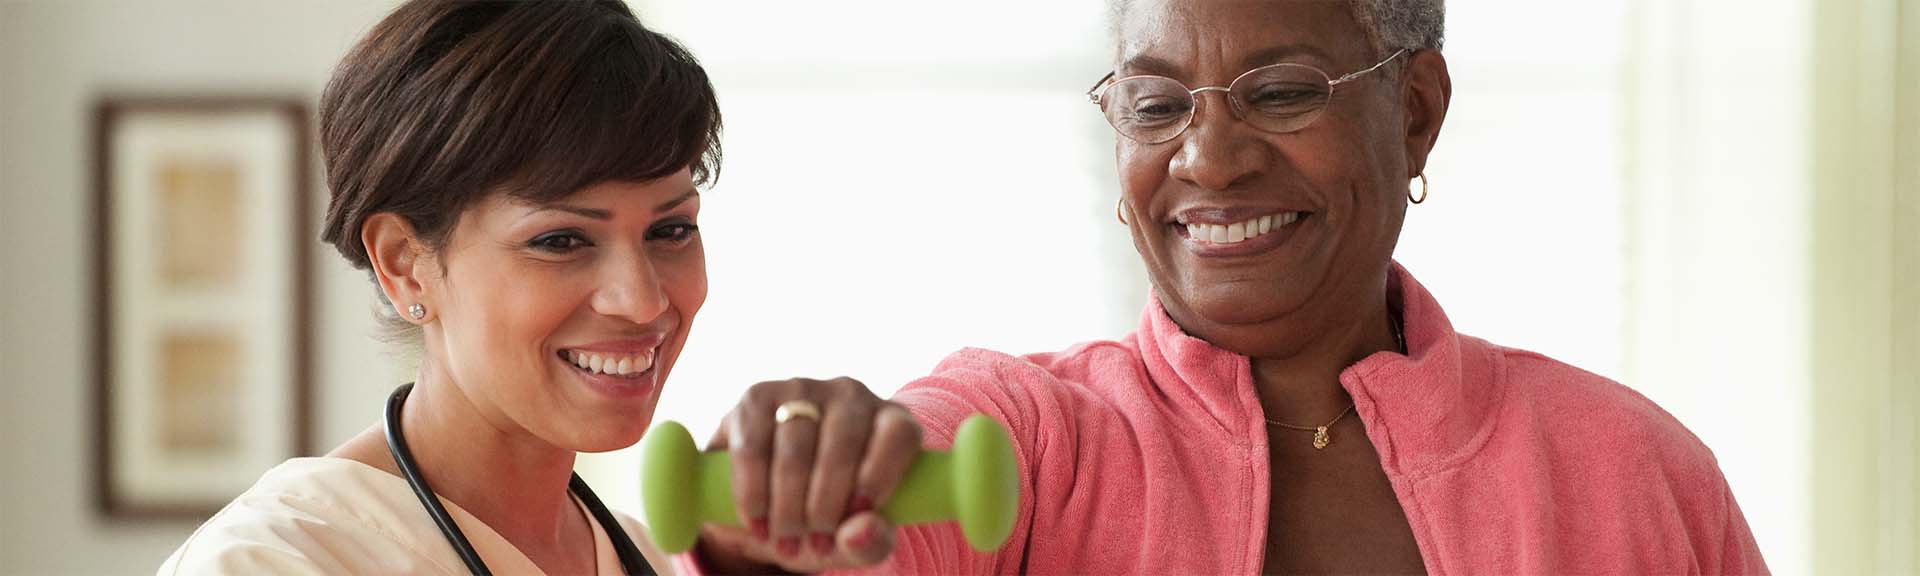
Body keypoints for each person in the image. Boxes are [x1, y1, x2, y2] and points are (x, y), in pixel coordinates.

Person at [689, 0, 1771, 574]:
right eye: (1157, 107)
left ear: (1415, 112)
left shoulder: (1636, 473)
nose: (1208, 159)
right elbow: (881, 524)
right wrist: (775, 524)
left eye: (1282, 93)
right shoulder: (1026, 434)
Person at [159, 0, 723, 573]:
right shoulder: (276, 559)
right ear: (404, 264)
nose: (642, 301)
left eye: (671, 230)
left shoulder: (648, 557)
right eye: (561, 241)